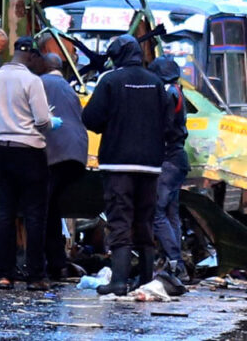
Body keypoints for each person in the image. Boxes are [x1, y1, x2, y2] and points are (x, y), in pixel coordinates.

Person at [82, 34, 176, 296]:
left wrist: (112, 125)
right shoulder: (156, 83)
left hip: (118, 164)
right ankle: (146, 280)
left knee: (120, 218)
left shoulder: (110, 80)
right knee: (145, 220)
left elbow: (90, 118)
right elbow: (168, 123)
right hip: (150, 165)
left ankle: (119, 280)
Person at [0, 35, 53, 291]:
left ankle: (5, 275)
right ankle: (35, 276)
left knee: (5, 213)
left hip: (3, 151)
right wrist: (47, 125)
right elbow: (43, 121)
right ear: (32, 56)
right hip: (31, 152)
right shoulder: (32, 81)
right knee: (35, 215)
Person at [40, 52, 88, 280]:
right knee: (52, 208)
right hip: (77, 152)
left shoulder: (40, 83)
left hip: (56, 152)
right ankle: (57, 262)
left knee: (42, 208)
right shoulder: (68, 88)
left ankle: (45, 263)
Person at [149, 56, 191, 281]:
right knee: (170, 213)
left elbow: (162, 127)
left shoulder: (168, 94)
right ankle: (178, 264)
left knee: (156, 212)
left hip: (169, 160)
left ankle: (175, 262)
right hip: (178, 159)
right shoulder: (178, 90)